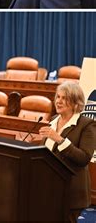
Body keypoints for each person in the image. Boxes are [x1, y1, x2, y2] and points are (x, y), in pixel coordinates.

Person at [39, 81, 96, 223]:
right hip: (49, 188)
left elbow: (84, 158)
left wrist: (59, 139)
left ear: (76, 102)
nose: (58, 101)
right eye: (57, 97)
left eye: (64, 98)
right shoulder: (53, 120)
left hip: (71, 191)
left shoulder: (86, 124)